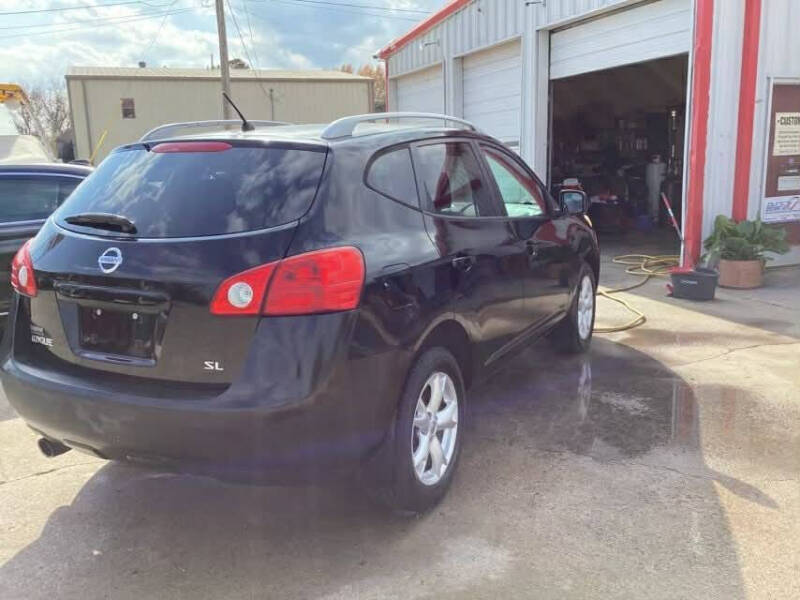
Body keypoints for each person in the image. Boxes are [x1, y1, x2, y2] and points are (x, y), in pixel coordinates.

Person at [645, 154, 666, 224]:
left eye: (657, 157)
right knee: (651, 198)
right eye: (654, 157)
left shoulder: (662, 165)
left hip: (658, 185)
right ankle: (652, 216)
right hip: (652, 185)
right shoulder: (650, 166)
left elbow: (663, 176)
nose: (655, 159)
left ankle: (655, 217)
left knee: (655, 199)